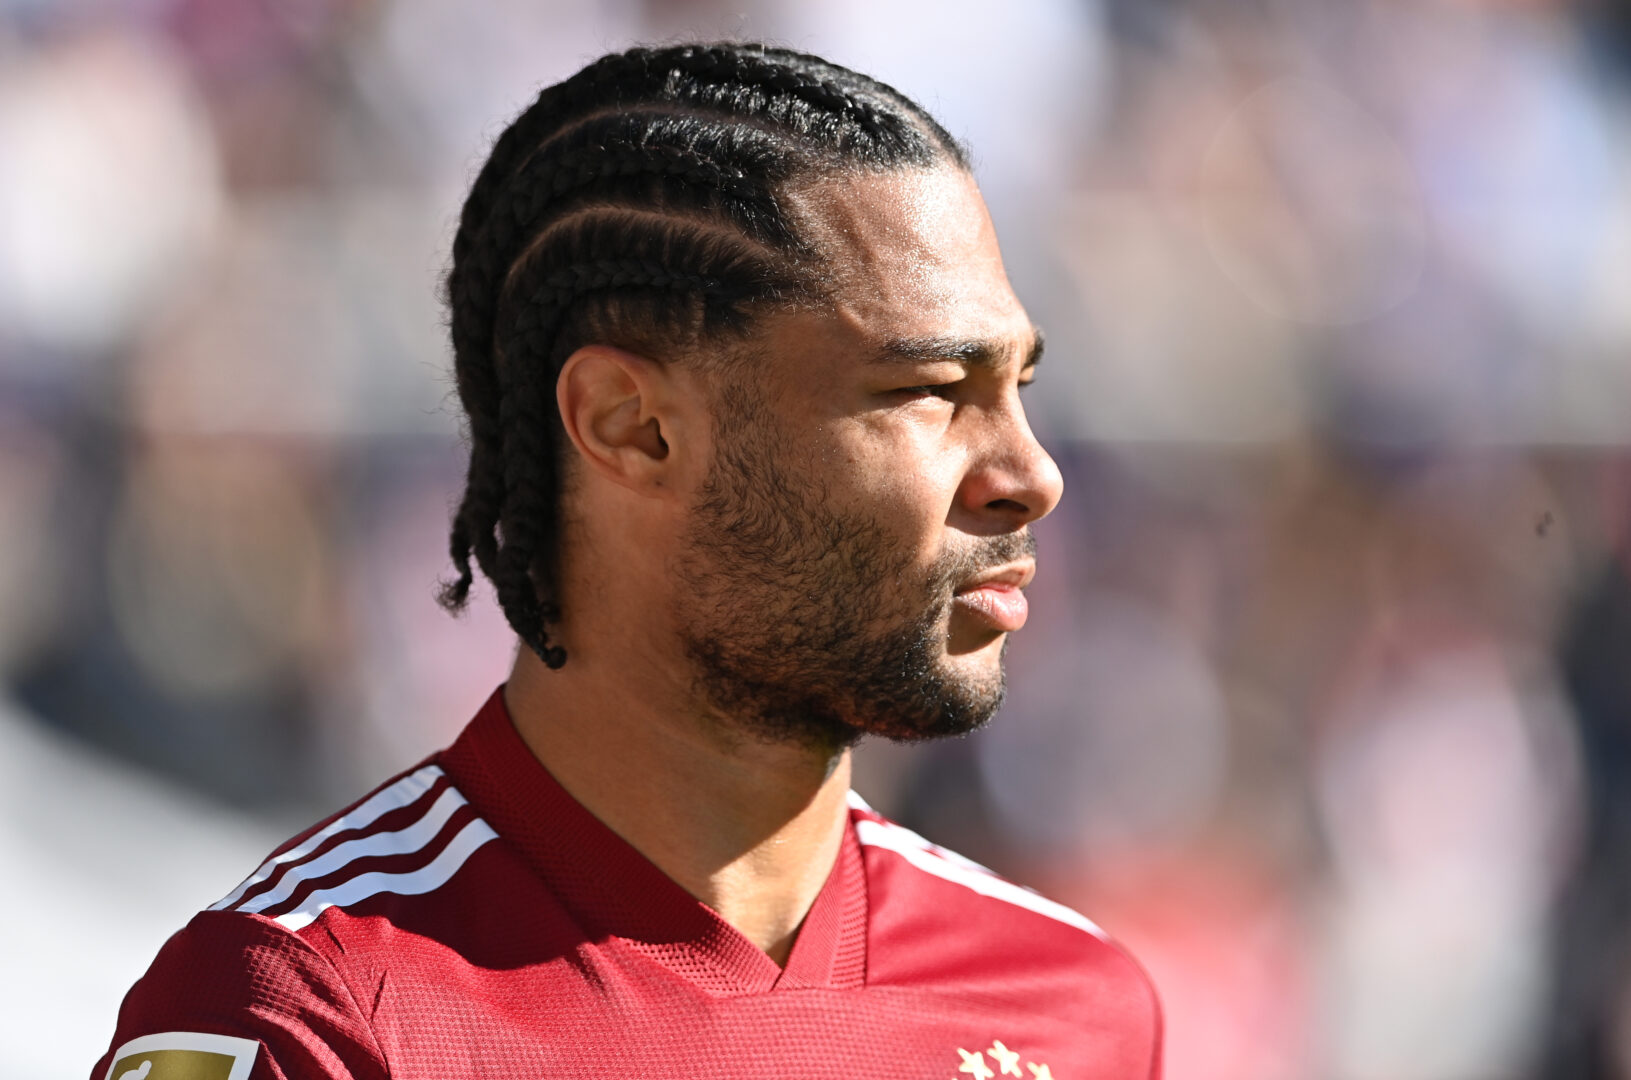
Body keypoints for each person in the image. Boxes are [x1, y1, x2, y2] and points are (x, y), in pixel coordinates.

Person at [93, 42, 1161, 1080]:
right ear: (631, 427)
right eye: (927, 390)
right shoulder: (301, 1010)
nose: (1030, 474)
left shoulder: (1072, 1006)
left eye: (1018, 387)